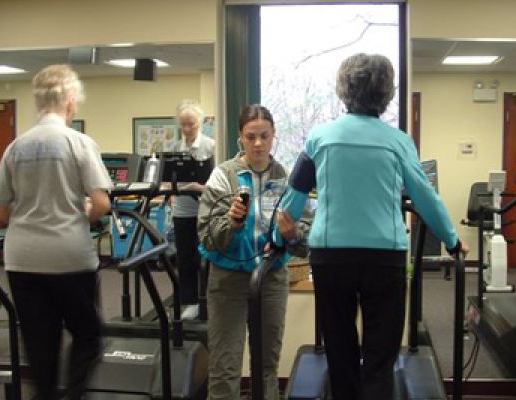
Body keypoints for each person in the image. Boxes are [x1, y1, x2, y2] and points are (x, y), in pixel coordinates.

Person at [277, 53, 469, 400]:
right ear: (387, 93)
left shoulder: (320, 138)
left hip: (331, 257)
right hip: (384, 257)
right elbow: (425, 198)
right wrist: (453, 241)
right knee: (381, 355)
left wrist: (277, 239)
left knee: (340, 350)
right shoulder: (398, 141)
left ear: (343, 89)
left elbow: (293, 197)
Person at [0, 64, 112, 400]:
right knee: (87, 334)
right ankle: (73, 394)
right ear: (70, 101)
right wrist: (79, 213)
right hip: (68, 257)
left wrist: (29, 216)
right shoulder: (78, 143)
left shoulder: (16, 147)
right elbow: (101, 203)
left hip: (22, 260)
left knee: (40, 345)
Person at [197, 104, 309, 400]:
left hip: (271, 277)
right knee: (224, 366)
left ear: (273, 137)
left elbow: (306, 237)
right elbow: (207, 237)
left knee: (266, 366)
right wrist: (231, 223)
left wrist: (292, 234)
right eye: (250, 137)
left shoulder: (287, 178)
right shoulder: (223, 176)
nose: (258, 143)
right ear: (240, 138)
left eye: (264, 136)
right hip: (228, 279)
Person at [169, 100, 215, 320]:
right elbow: (168, 178)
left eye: (192, 124)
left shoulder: (211, 146)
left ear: (201, 122)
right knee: (185, 259)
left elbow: (218, 183)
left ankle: (207, 301)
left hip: (205, 211)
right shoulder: (175, 148)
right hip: (182, 211)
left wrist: (200, 188)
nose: (187, 129)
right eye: (184, 124)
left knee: (204, 258)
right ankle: (189, 302)